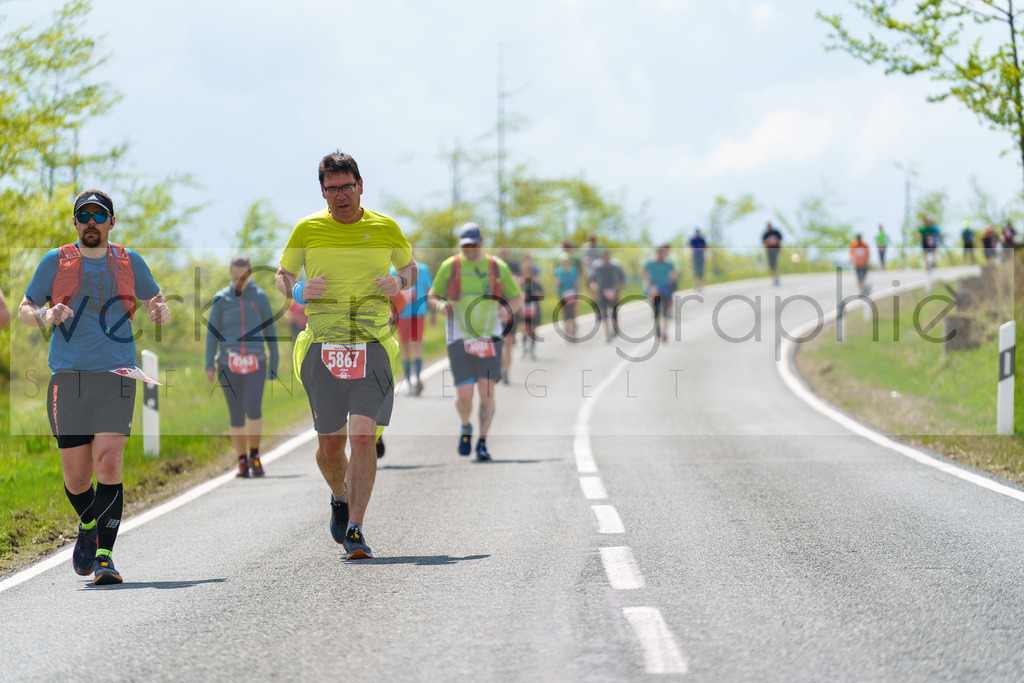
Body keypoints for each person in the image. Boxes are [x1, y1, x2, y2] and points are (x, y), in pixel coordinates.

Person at [18, 189, 170, 585]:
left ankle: (105, 556)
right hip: (67, 380)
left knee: (109, 460)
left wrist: (159, 309)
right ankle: (87, 521)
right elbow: (24, 309)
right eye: (83, 215)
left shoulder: (128, 260)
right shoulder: (55, 260)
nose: (91, 221)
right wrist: (45, 313)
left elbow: (157, 301)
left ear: (111, 222)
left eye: (98, 215)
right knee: (76, 478)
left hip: (116, 375)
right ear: (75, 222)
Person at [276, 152, 416, 560]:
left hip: (372, 344)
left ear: (360, 186)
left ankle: (355, 527)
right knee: (331, 448)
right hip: (323, 345)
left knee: (361, 434)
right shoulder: (308, 229)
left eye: (347, 186)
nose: (341, 195)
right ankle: (338, 496)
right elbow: (283, 275)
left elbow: (411, 268)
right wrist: (300, 291)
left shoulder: (384, 227)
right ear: (323, 192)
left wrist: (398, 281)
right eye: (332, 189)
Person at [428, 223, 522, 461]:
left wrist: (507, 311)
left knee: (487, 392)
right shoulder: (450, 266)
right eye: (464, 245)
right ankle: (465, 425)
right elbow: (433, 295)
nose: (468, 248)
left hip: (490, 337)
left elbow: (517, 296)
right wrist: (440, 305)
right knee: (464, 395)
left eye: (472, 244)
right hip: (459, 337)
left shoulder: (495, 267)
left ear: (480, 242)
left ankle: (482, 441)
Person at [205, 256, 280, 478]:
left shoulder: (260, 297)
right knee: (236, 413)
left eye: (244, 278)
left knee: (253, 406)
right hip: (228, 363)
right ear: (230, 274)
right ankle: (241, 461)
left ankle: (255, 455)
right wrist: (209, 363)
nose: (240, 282)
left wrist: (274, 361)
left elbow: (270, 332)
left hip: (256, 361)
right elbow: (212, 334)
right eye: (235, 277)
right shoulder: (221, 299)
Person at [390, 247, 435, 396]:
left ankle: (416, 378)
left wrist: (433, 311)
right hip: (401, 315)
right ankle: (410, 380)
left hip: (417, 313)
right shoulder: (391, 271)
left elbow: (429, 291)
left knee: (415, 344)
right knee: (405, 347)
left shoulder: (423, 269)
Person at [641, 244, 678, 342]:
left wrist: (671, 282)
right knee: (656, 311)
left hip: (665, 289)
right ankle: (657, 328)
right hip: (654, 290)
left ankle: (665, 331)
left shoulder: (669, 263)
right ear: (657, 253)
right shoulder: (650, 263)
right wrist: (649, 284)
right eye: (660, 253)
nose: (662, 255)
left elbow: (674, 274)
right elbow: (643, 273)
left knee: (666, 311)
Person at [588, 249, 626, 342]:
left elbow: (622, 277)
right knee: (604, 312)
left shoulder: (615, 266)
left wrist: (617, 287)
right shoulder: (596, 267)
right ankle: (607, 333)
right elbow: (591, 279)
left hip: (613, 291)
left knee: (614, 312)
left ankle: (615, 329)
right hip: (602, 291)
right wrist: (594, 287)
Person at [496, 247, 522, 384]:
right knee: (498, 344)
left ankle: (505, 372)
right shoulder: (492, 271)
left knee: (508, 343)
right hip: (496, 312)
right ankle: (500, 367)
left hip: (510, 312)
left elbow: (519, 295)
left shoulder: (514, 268)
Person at [518, 251, 544, 359]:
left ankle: (532, 349)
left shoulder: (536, 282)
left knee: (533, 329)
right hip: (523, 308)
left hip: (534, 308)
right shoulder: (519, 282)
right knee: (524, 328)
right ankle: (524, 348)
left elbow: (541, 295)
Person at [553, 254, 580, 340]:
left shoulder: (573, 271)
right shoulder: (558, 272)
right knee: (565, 314)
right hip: (562, 295)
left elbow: (576, 284)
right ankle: (567, 331)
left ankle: (572, 332)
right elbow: (556, 285)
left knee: (572, 313)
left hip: (572, 295)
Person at [761, 221, 783, 285]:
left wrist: (779, 247)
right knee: (771, 264)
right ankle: (773, 278)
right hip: (769, 250)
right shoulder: (766, 234)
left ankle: (777, 277)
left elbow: (780, 239)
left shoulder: (776, 232)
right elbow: (763, 241)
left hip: (775, 249)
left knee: (775, 263)